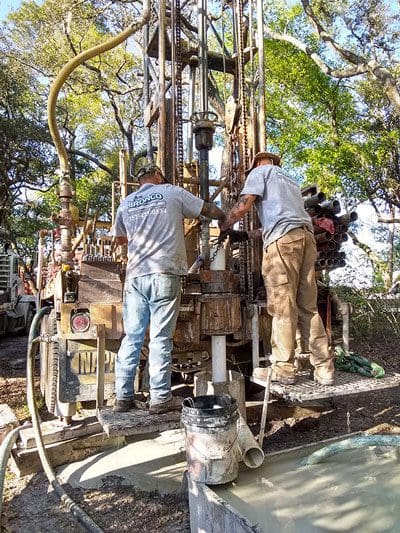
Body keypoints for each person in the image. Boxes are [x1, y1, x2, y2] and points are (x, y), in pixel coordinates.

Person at [112, 163, 226, 413]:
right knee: (160, 338)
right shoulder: (172, 192)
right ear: (159, 176)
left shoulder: (126, 203)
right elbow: (206, 209)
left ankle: (122, 397)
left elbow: (120, 239)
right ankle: (160, 398)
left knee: (132, 337)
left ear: (138, 180)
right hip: (165, 273)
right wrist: (226, 217)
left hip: (135, 277)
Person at [220, 152, 335, 385]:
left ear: (257, 164)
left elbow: (243, 207)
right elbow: (283, 220)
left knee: (283, 306)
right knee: (308, 307)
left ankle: (283, 368)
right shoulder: (289, 181)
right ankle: (324, 369)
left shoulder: (260, 172)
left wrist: (224, 224)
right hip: (305, 240)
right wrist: (245, 235)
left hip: (283, 245)